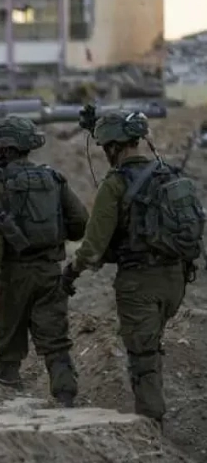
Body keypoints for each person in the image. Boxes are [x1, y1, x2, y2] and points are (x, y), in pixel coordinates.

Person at [62, 112, 205, 428]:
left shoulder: (115, 184)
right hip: (176, 280)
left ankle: (152, 425)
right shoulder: (167, 174)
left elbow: (93, 246)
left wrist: (71, 272)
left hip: (140, 284)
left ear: (113, 147)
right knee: (151, 345)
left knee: (142, 357)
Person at [0, 116, 88, 407]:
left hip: (11, 277)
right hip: (50, 272)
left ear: (4, 148)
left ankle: (10, 403)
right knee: (55, 341)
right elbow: (80, 223)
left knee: (6, 343)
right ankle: (65, 395)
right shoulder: (54, 179)